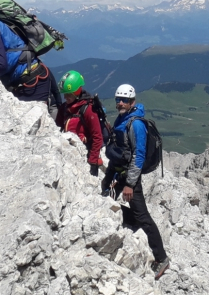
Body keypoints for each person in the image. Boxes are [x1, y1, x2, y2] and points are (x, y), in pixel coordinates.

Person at [102, 84, 169, 280]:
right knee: (107, 202)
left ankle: (162, 258)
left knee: (144, 217)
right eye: (118, 100)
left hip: (130, 176)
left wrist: (130, 183)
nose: (120, 103)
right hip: (118, 173)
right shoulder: (122, 119)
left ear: (132, 101)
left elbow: (138, 156)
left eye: (124, 100)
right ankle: (130, 221)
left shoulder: (136, 124)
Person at [54, 70, 105, 175]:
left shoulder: (88, 110)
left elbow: (97, 137)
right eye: (65, 94)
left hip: (85, 152)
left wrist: (92, 161)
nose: (65, 97)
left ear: (76, 92)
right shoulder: (64, 108)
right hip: (67, 151)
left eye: (68, 94)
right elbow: (57, 128)